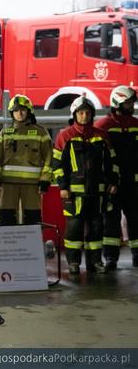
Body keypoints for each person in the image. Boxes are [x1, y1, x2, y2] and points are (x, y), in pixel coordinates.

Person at [52, 95, 118, 275]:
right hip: (74, 194)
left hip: (98, 192)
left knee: (96, 228)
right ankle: (73, 263)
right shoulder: (65, 136)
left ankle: (95, 262)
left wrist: (113, 181)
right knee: (74, 228)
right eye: (81, 113)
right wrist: (63, 186)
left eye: (87, 113)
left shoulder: (101, 136)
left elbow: (111, 162)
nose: (84, 116)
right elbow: (57, 165)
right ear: (74, 114)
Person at [0, 95, 53, 225]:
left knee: (32, 219)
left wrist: (45, 180)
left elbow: (48, 158)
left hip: (32, 185)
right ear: (12, 113)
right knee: (7, 218)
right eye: (16, 110)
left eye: (23, 109)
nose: (20, 113)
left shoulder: (41, 132)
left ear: (29, 111)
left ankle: (31, 245)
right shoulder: (5, 133)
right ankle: (8, 246)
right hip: (8, 184)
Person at [94, 85, 138, 269]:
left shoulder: (136, 125)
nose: (131, 105)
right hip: (112, 183)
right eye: (127, 102)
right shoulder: (103, 126)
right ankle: (111, 258)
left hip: (134, 182)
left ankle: (137, 256)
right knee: (110, 221)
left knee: (136, 218)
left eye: (131, 102)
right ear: (117, 102)